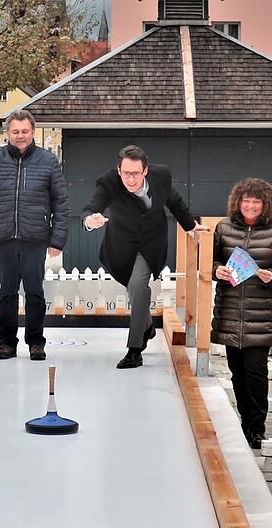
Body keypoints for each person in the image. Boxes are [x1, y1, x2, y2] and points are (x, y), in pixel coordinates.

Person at [83, 145, 209, 369]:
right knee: (133, 288)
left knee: (139, 285)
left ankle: (135, 349)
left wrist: (190, 226)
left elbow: (175, 202)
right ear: (118, 171)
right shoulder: (109, 182)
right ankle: (148, 326)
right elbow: (91, 207)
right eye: (126, 173)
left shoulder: (162, 177)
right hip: (121, 246)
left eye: (135, 173)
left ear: (145, 171)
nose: (130, 179)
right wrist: (90, 221)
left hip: (151, 244)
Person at [0, 110, 69, 361]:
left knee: (35, 292)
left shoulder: (48, 162)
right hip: (3, 237)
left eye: (25, 131)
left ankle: (36, 343)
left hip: (35, 238)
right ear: (8, 133)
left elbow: (61, 203)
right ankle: (7, 343)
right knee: (7, 293)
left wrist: (57, 239)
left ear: (32, 132)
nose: (20, 136)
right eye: (15, 131)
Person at [212, 178, 272, 449]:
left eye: (256, 201)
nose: (250, 205)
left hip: (262, 315)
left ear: (265, 204)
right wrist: (217, 270)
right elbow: (210, 260)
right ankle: (244, 422)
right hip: (229, 312)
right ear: (238, 202)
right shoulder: (223, 228)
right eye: (246, 200)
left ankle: (256, 428)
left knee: (256, 372)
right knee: (237, 373)